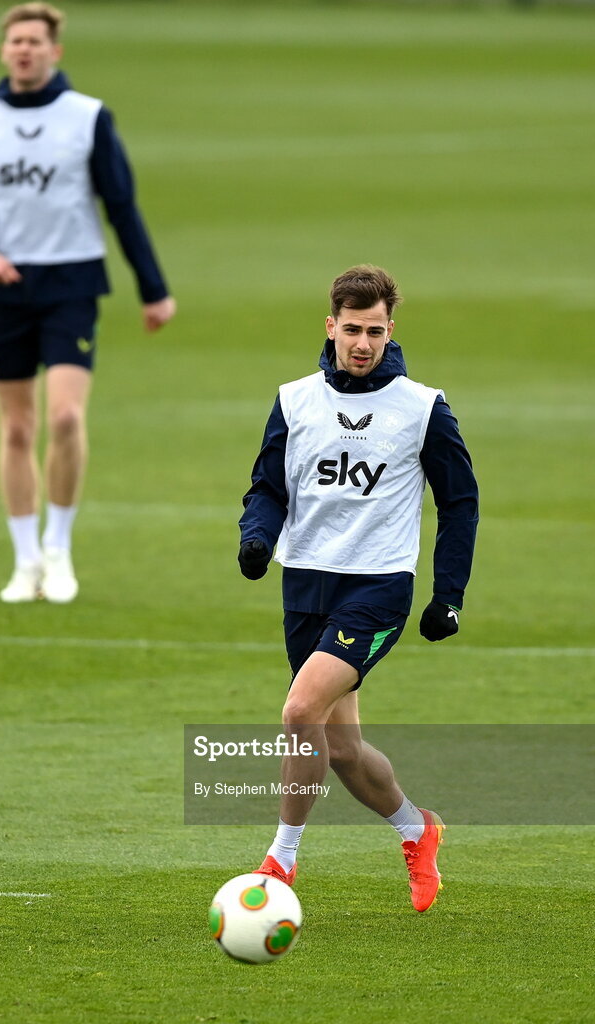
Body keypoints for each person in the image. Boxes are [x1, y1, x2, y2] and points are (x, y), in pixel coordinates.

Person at [238, 265, 478, 912]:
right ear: (331, 326)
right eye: (352, 330)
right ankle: (417, 830)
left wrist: (447, 594)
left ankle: (280, 861)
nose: (363, 344)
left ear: (390, 329)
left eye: (375, 331)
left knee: (297, 712)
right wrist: (256, 538)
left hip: (377, 589)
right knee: (340, 746)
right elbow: (267, 486)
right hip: (306, 586)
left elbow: (460, 502)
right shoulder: (294, 399)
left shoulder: (421, 407)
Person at [0, 2, 176, 603]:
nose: (24, 49)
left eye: (35, 41)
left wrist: (153, 289)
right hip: (3, 289)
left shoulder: (88, 117)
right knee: (17, 428)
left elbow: (120, 204)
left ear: (55, 51)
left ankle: (59, 546)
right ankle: (24, 561)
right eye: (15, 41)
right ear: (3, 50)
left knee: (66, 417)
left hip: (72, 281)